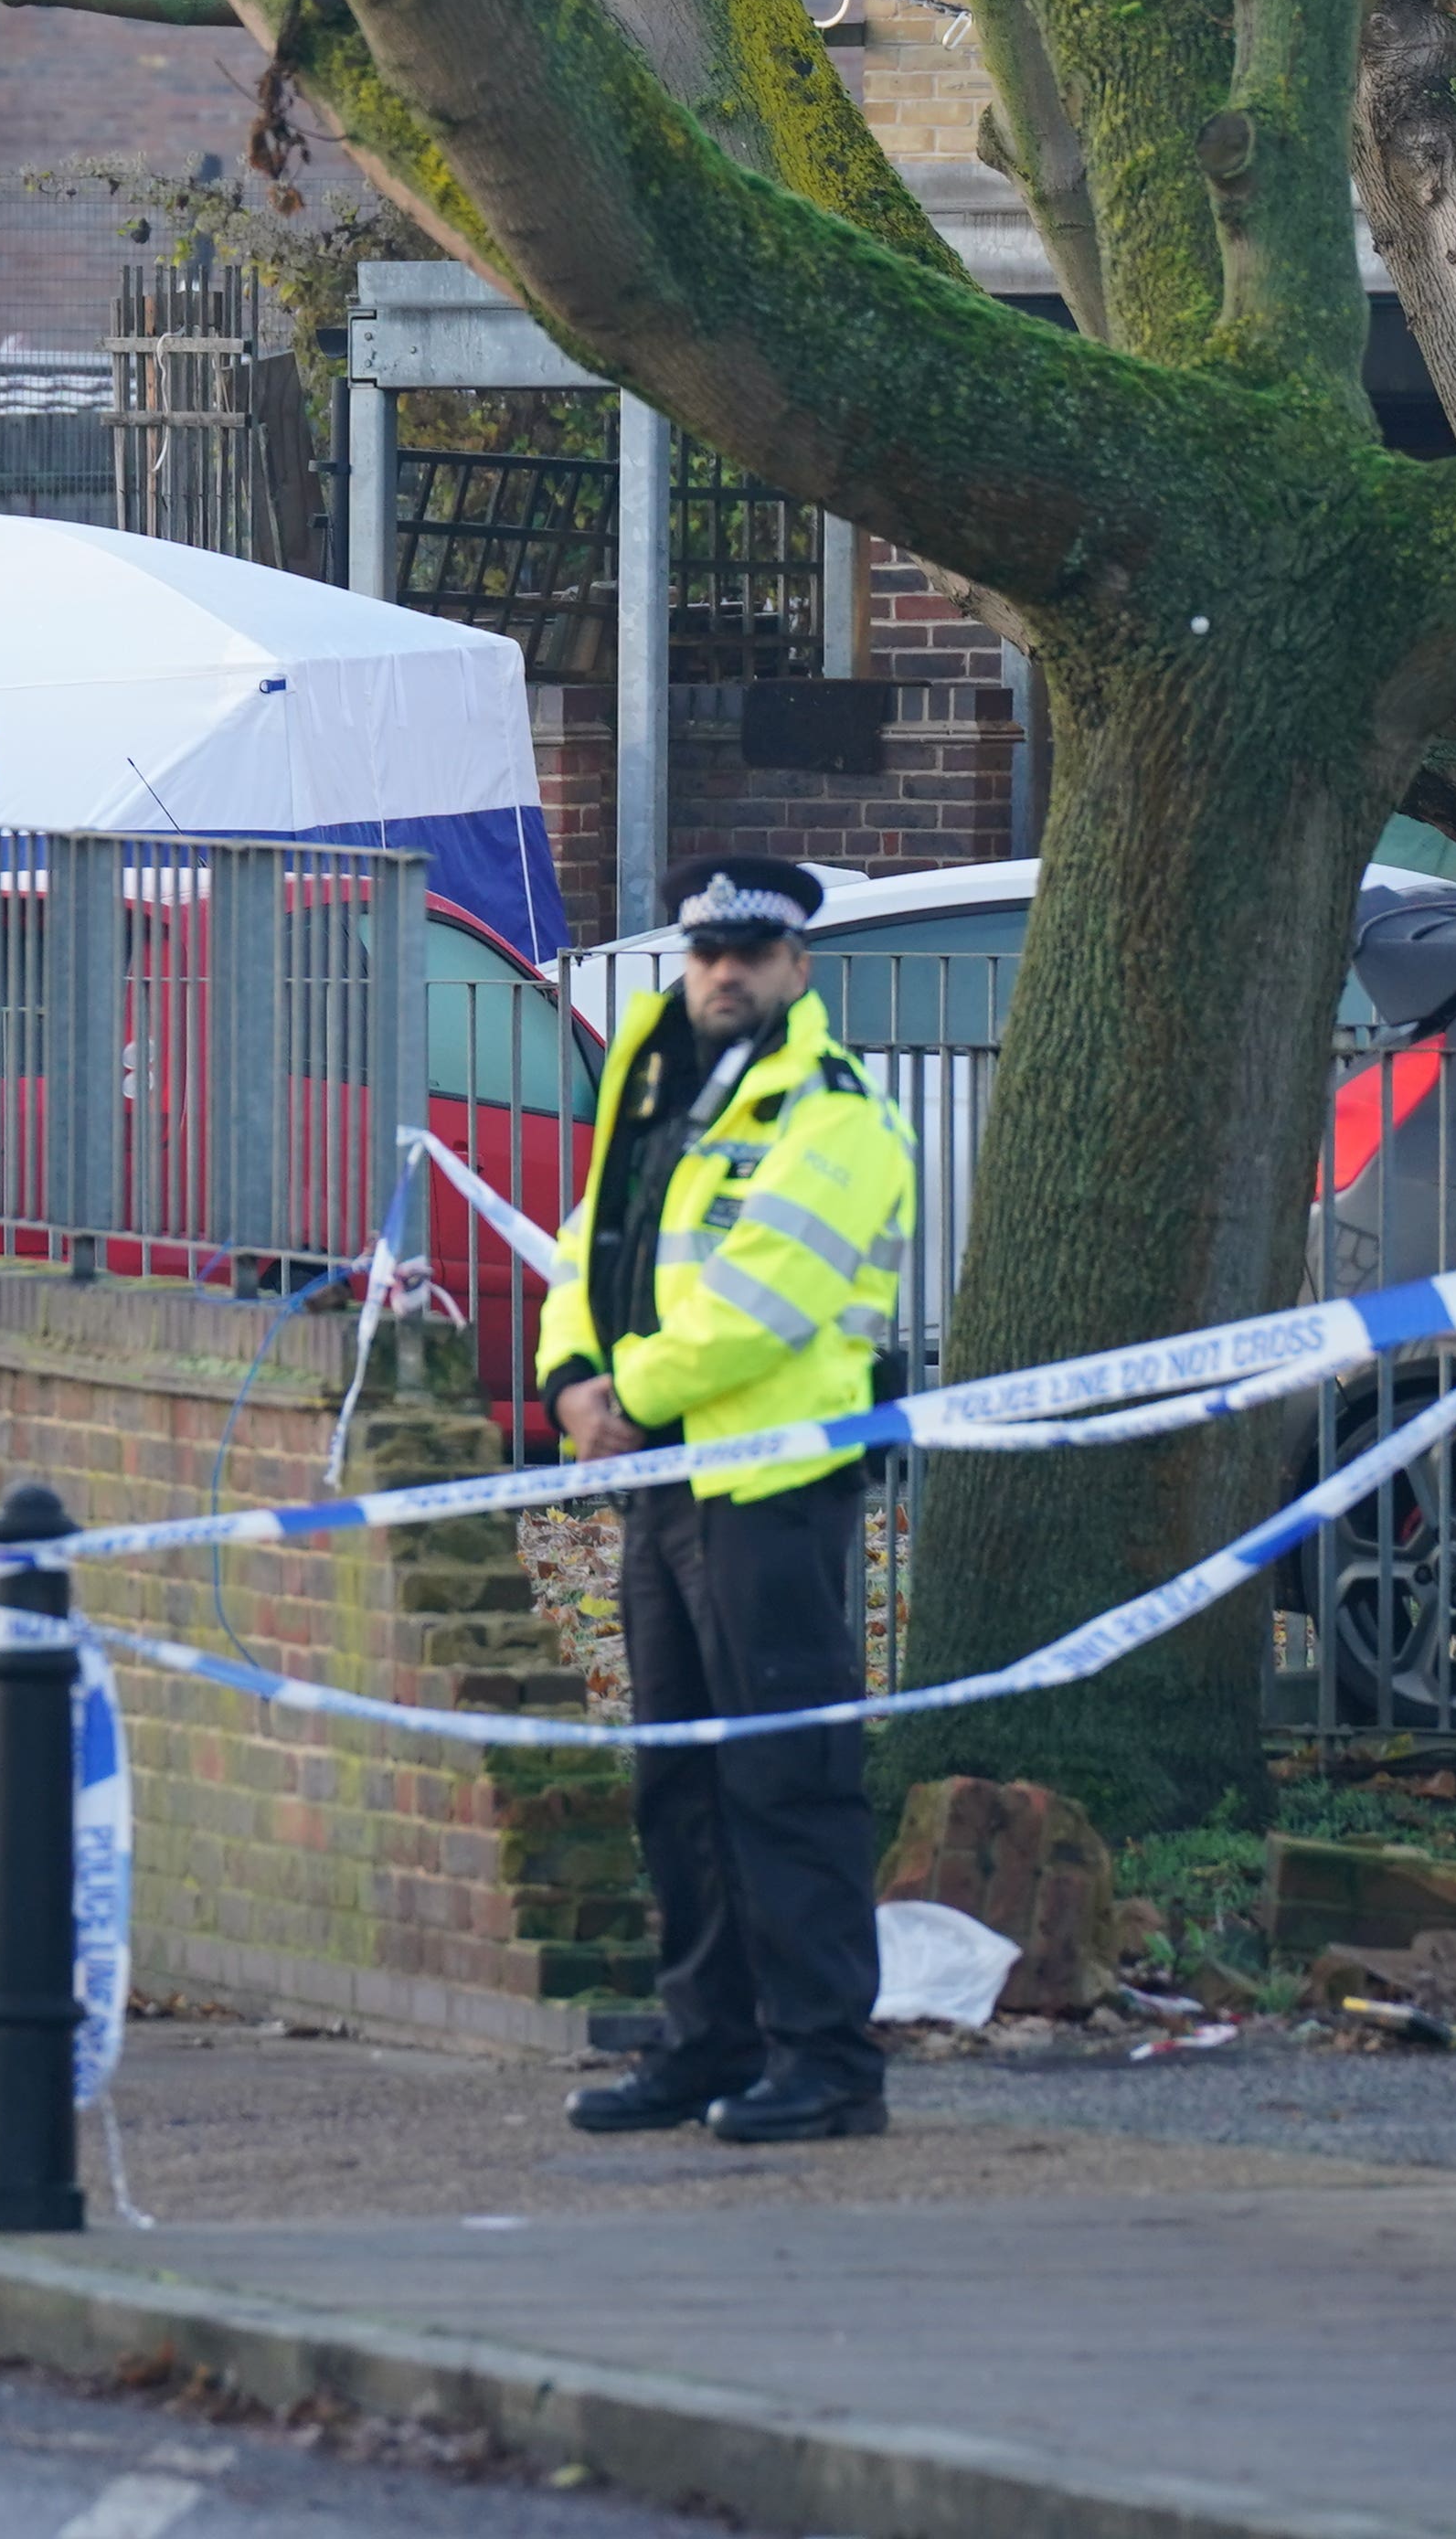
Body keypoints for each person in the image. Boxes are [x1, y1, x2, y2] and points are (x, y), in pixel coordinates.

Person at [542, 855, 917, 2145]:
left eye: (752, 953)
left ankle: (827, 2059)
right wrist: (570, 1379)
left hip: (774, 1483)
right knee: (678, 1781)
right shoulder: (662, 1100)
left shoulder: (836, 1114)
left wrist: (626, 1395)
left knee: (788, 1776)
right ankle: (709, 2043)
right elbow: (590, 1246)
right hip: (667, 1481)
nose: (725, 973)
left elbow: (766, 1297)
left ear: (798, 965)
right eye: (708, 952)